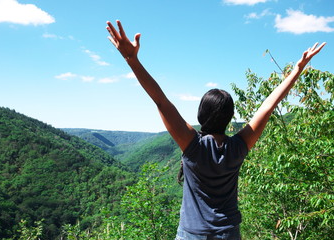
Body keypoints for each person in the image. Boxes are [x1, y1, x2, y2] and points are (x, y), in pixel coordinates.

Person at [106, 20, 326, 240]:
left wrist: (131, 60)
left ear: (201, 114)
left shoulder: (193, 145)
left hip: (192, 235)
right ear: (230, 117)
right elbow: (268, 106)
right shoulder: (239, 146)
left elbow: (161, 101)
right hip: (229, 233)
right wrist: (297, 70)